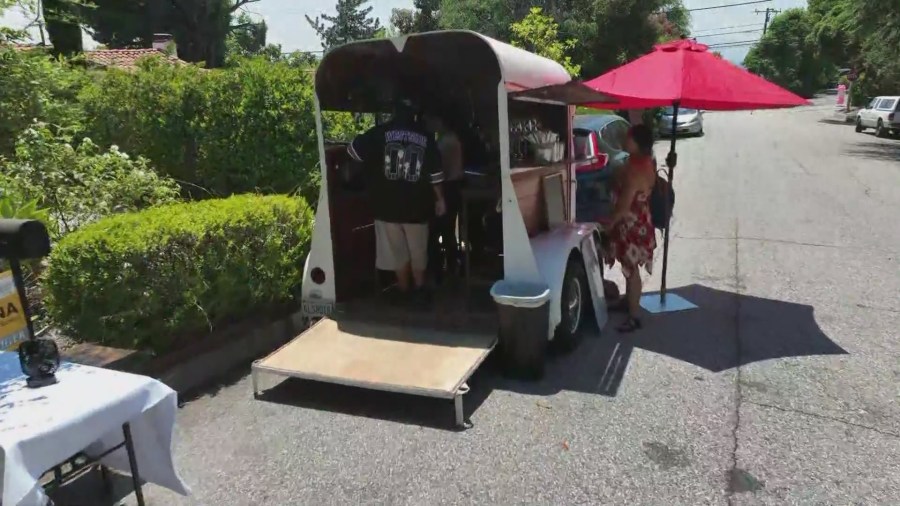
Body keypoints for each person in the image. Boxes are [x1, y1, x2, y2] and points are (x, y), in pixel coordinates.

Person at [348, 99, 446, 306]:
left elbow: (353, 151)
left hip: (386, 206)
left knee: (397, 253)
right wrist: (440, 199)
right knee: (418, 252)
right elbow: (435, 175)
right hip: (417, 206)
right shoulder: (426, 138)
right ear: (414, 115)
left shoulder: (377, 133)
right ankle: (419, 292)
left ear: (393, 112)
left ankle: (404, 292)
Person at [602, 124, 658, 332]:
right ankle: (628, 302)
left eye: (629, 138)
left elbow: (623, 208)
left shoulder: (636, 170)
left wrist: (608, 228)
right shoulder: (642, 162)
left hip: (632, 227)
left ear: (637, 143)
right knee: (629, 269)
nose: (625, 141)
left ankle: (634, 316)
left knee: (631, 271)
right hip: (642, 222)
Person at [423, 109, 464, 283]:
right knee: (447, 231)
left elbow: (440, 171)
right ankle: (451, 267)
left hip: (447, 187)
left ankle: (439, 270)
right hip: (454, 187)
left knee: (436, 231)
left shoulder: (444, 143)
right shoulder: (452, 139)